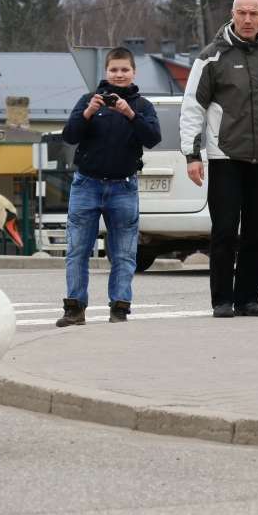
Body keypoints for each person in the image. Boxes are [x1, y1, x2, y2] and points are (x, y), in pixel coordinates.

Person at [179, 0, 258, 318]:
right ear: (232, 14)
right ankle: (222, 300)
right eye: (242, 13)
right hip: (225, 156)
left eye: (253, 14)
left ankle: (249, 299)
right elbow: (192, 107)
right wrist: (192, 155)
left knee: (257, 232)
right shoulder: (211, 56)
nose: (247, 19)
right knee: (224, 230)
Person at [56, 46, 161, 327]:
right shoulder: (88, 100)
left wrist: (130, 114)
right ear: (106, 72)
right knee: (77, 250)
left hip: (123, 188)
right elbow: (69, 136)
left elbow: (153, 138)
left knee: (124, 253)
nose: (119, 75)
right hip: (86, 185)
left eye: (125, 69)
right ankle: (74, 308)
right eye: (114, 69)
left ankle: (120, 307)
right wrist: (88, 112)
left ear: (133, 72)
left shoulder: (142, 106)